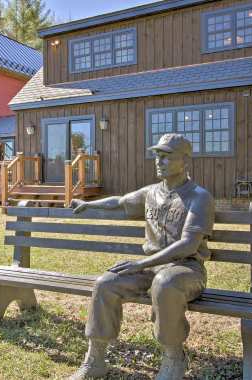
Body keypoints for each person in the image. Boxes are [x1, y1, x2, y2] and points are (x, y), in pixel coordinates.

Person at [69, 134, 215, 380]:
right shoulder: (151, 193)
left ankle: (173, 358)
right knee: (105, 283)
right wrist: (89, 204)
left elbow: (189, 245)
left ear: (185, 160)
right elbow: (120, 202)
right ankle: (95, 358)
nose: (160, 161)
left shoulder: (199, 197)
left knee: (165, 284)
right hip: (151, 269)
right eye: (158, 155)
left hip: (186, 270)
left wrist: (141, 263)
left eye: (167, 156)